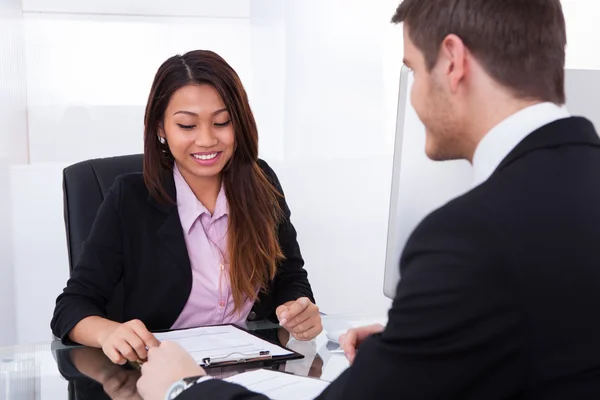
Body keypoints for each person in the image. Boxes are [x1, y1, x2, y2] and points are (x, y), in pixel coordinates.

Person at [136, 0, 600, 399]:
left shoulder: (466, 239)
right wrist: (429, 340)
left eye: (412, 70)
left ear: (453, 61)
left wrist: (183, 389)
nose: (413, 97)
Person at [51, 50, 322, 365]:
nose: (206, 140)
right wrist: (108, 332)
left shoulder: (262, 184)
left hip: (251, 372)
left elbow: (290, 276)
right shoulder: (130, 198)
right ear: (161, 129)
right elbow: (71, 307)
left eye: (222, 122)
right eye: (187, 126)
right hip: (161, 379)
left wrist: (298, 310)